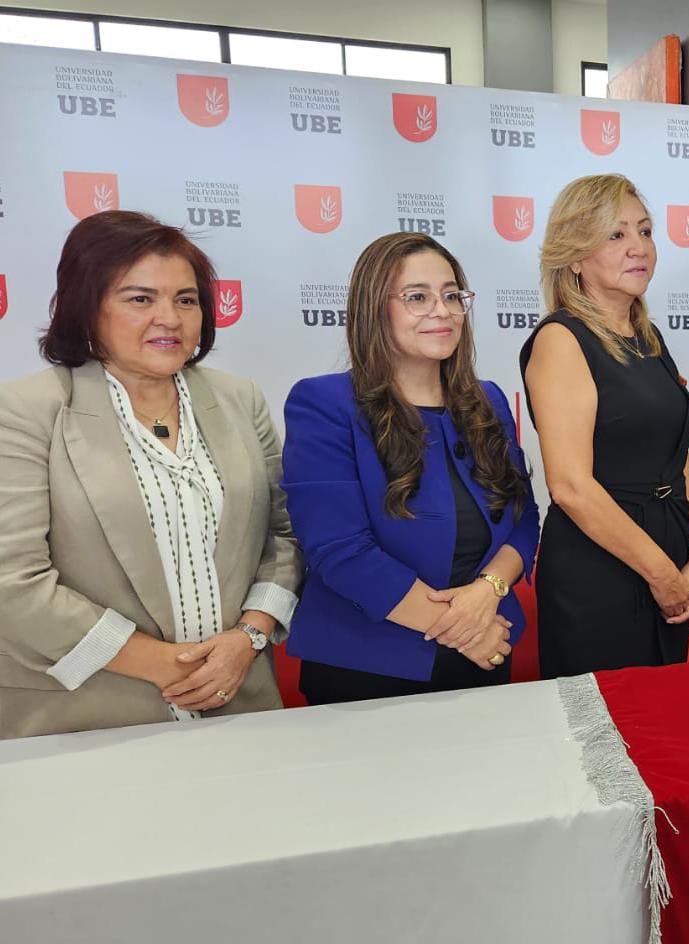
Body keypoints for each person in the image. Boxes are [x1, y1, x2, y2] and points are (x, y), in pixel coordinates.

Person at [0, 210, 300, 738]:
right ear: (86, 307)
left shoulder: (240, 399)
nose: (170, 318)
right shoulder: (26, 411)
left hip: (239, 701)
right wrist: (166, 665)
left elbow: (284, 537)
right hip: (88, 719)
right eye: (140, 299)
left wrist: (248, 638)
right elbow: (13, 582)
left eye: (186, 300)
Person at [282, 233, 538, 704]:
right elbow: (339, 550)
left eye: (452, 295)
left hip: (486, 644)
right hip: (367, 666)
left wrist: (489, 591)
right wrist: (465, 630)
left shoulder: (488, 400)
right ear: (374, 309)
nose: (442, 311)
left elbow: (523, 520)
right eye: (417, 297)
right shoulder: (323, 403)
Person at [520, 174, 689, 677]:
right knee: (607, 720)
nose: (638, 247)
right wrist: (662, 572)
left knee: (662, 715)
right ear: (575, 257)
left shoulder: (648, 336)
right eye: (616, 234)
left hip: (668, 562)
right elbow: (571, 487)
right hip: (599, 572)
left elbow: (677, 458)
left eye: (644, 231)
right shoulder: (561, 340)